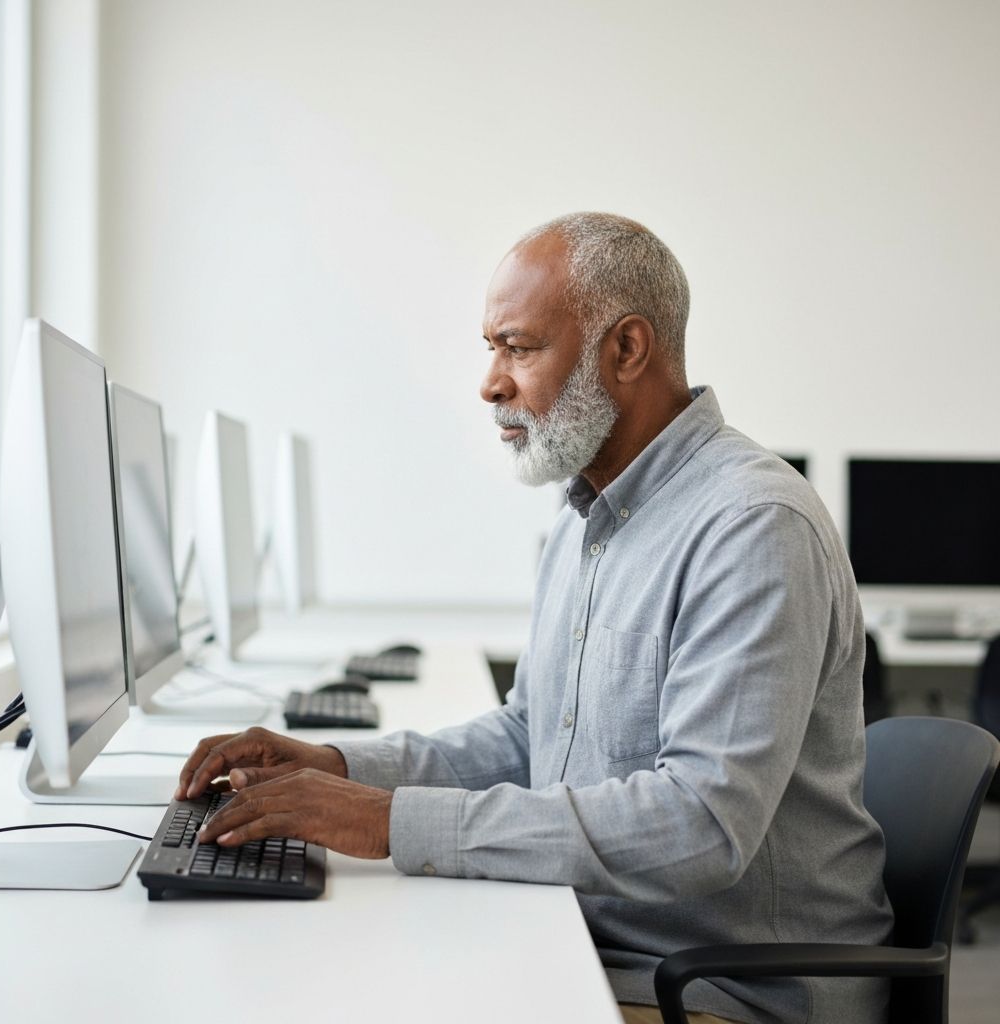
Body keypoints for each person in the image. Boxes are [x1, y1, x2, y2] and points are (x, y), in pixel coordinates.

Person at [178, 213, 893, 1024]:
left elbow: (702, 823)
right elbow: (532, 740)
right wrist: (340, 766)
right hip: (602, 942)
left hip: (724, 990)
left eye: (517, 348)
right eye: (492, 348)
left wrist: (391, 822)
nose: (489, 382)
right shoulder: (584, 517)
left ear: (626, 350)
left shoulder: (753, 526)